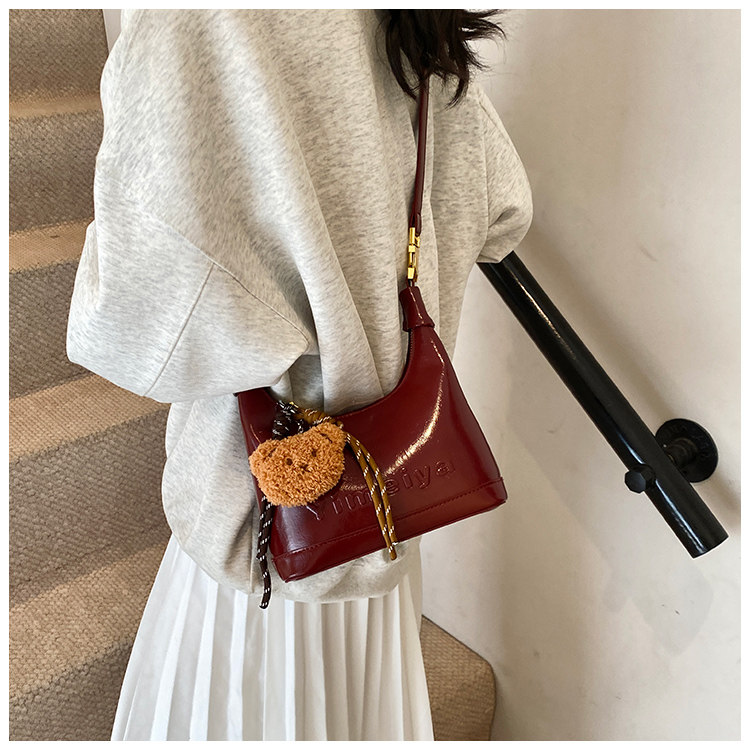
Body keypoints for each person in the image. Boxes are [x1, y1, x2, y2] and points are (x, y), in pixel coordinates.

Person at [65, 9, 532, 741]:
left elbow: (135, 324)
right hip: (387, 519)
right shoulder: (417, 23)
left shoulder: (204, 21)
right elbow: (504, 211)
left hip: (263, 543)